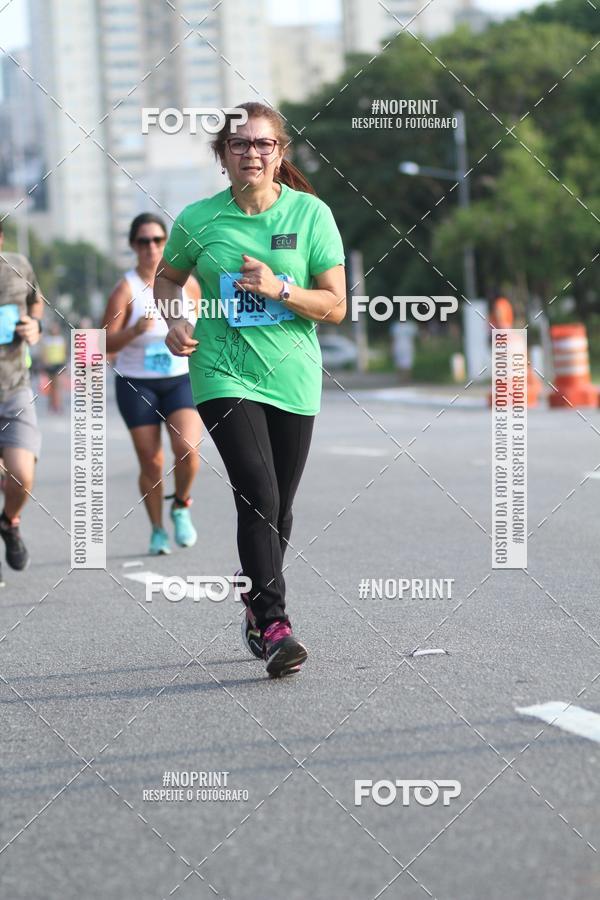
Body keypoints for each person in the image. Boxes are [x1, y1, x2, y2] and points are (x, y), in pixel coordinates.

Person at [155, 101, 346, 677]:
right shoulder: (199, 218)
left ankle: (254, 603)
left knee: (280, 509)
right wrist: (175, 319)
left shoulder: (311, 215)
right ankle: (275, 622)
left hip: (292, 378)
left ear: (280, 152)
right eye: (240, 145)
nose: (252, 154)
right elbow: (168, 277)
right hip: (221, 371)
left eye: (264, 144)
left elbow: (335, 305)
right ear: (223, 156)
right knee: (257, 493)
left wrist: (280, 288)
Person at [103, 213, 202, 556]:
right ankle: (158, 529)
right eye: (144, 241)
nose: (152, 247)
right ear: (133, 245)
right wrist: (133, 332)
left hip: (180, 379)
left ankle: (181, 505)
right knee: (152, 462)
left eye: (158, 240)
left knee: (187, 450)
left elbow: (204, 329)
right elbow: (100, 344)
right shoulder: (125, 289)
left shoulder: (187, 284)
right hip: (137, 385)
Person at [0, 219, 44, 582]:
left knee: (21, 476)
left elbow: (36, 304)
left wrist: (33, 324)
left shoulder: (18, 267)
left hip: (13, 387)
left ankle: (10, 521)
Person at [40, 321, 67, 412]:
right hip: (50, 365)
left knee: (58, 386)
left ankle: (58, 405)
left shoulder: (61, 339)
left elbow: (64, 352)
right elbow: (44, 353)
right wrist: (45, 363)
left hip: (59, 365)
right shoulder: (47, 340)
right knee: (51, 386)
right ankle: (51, 405)